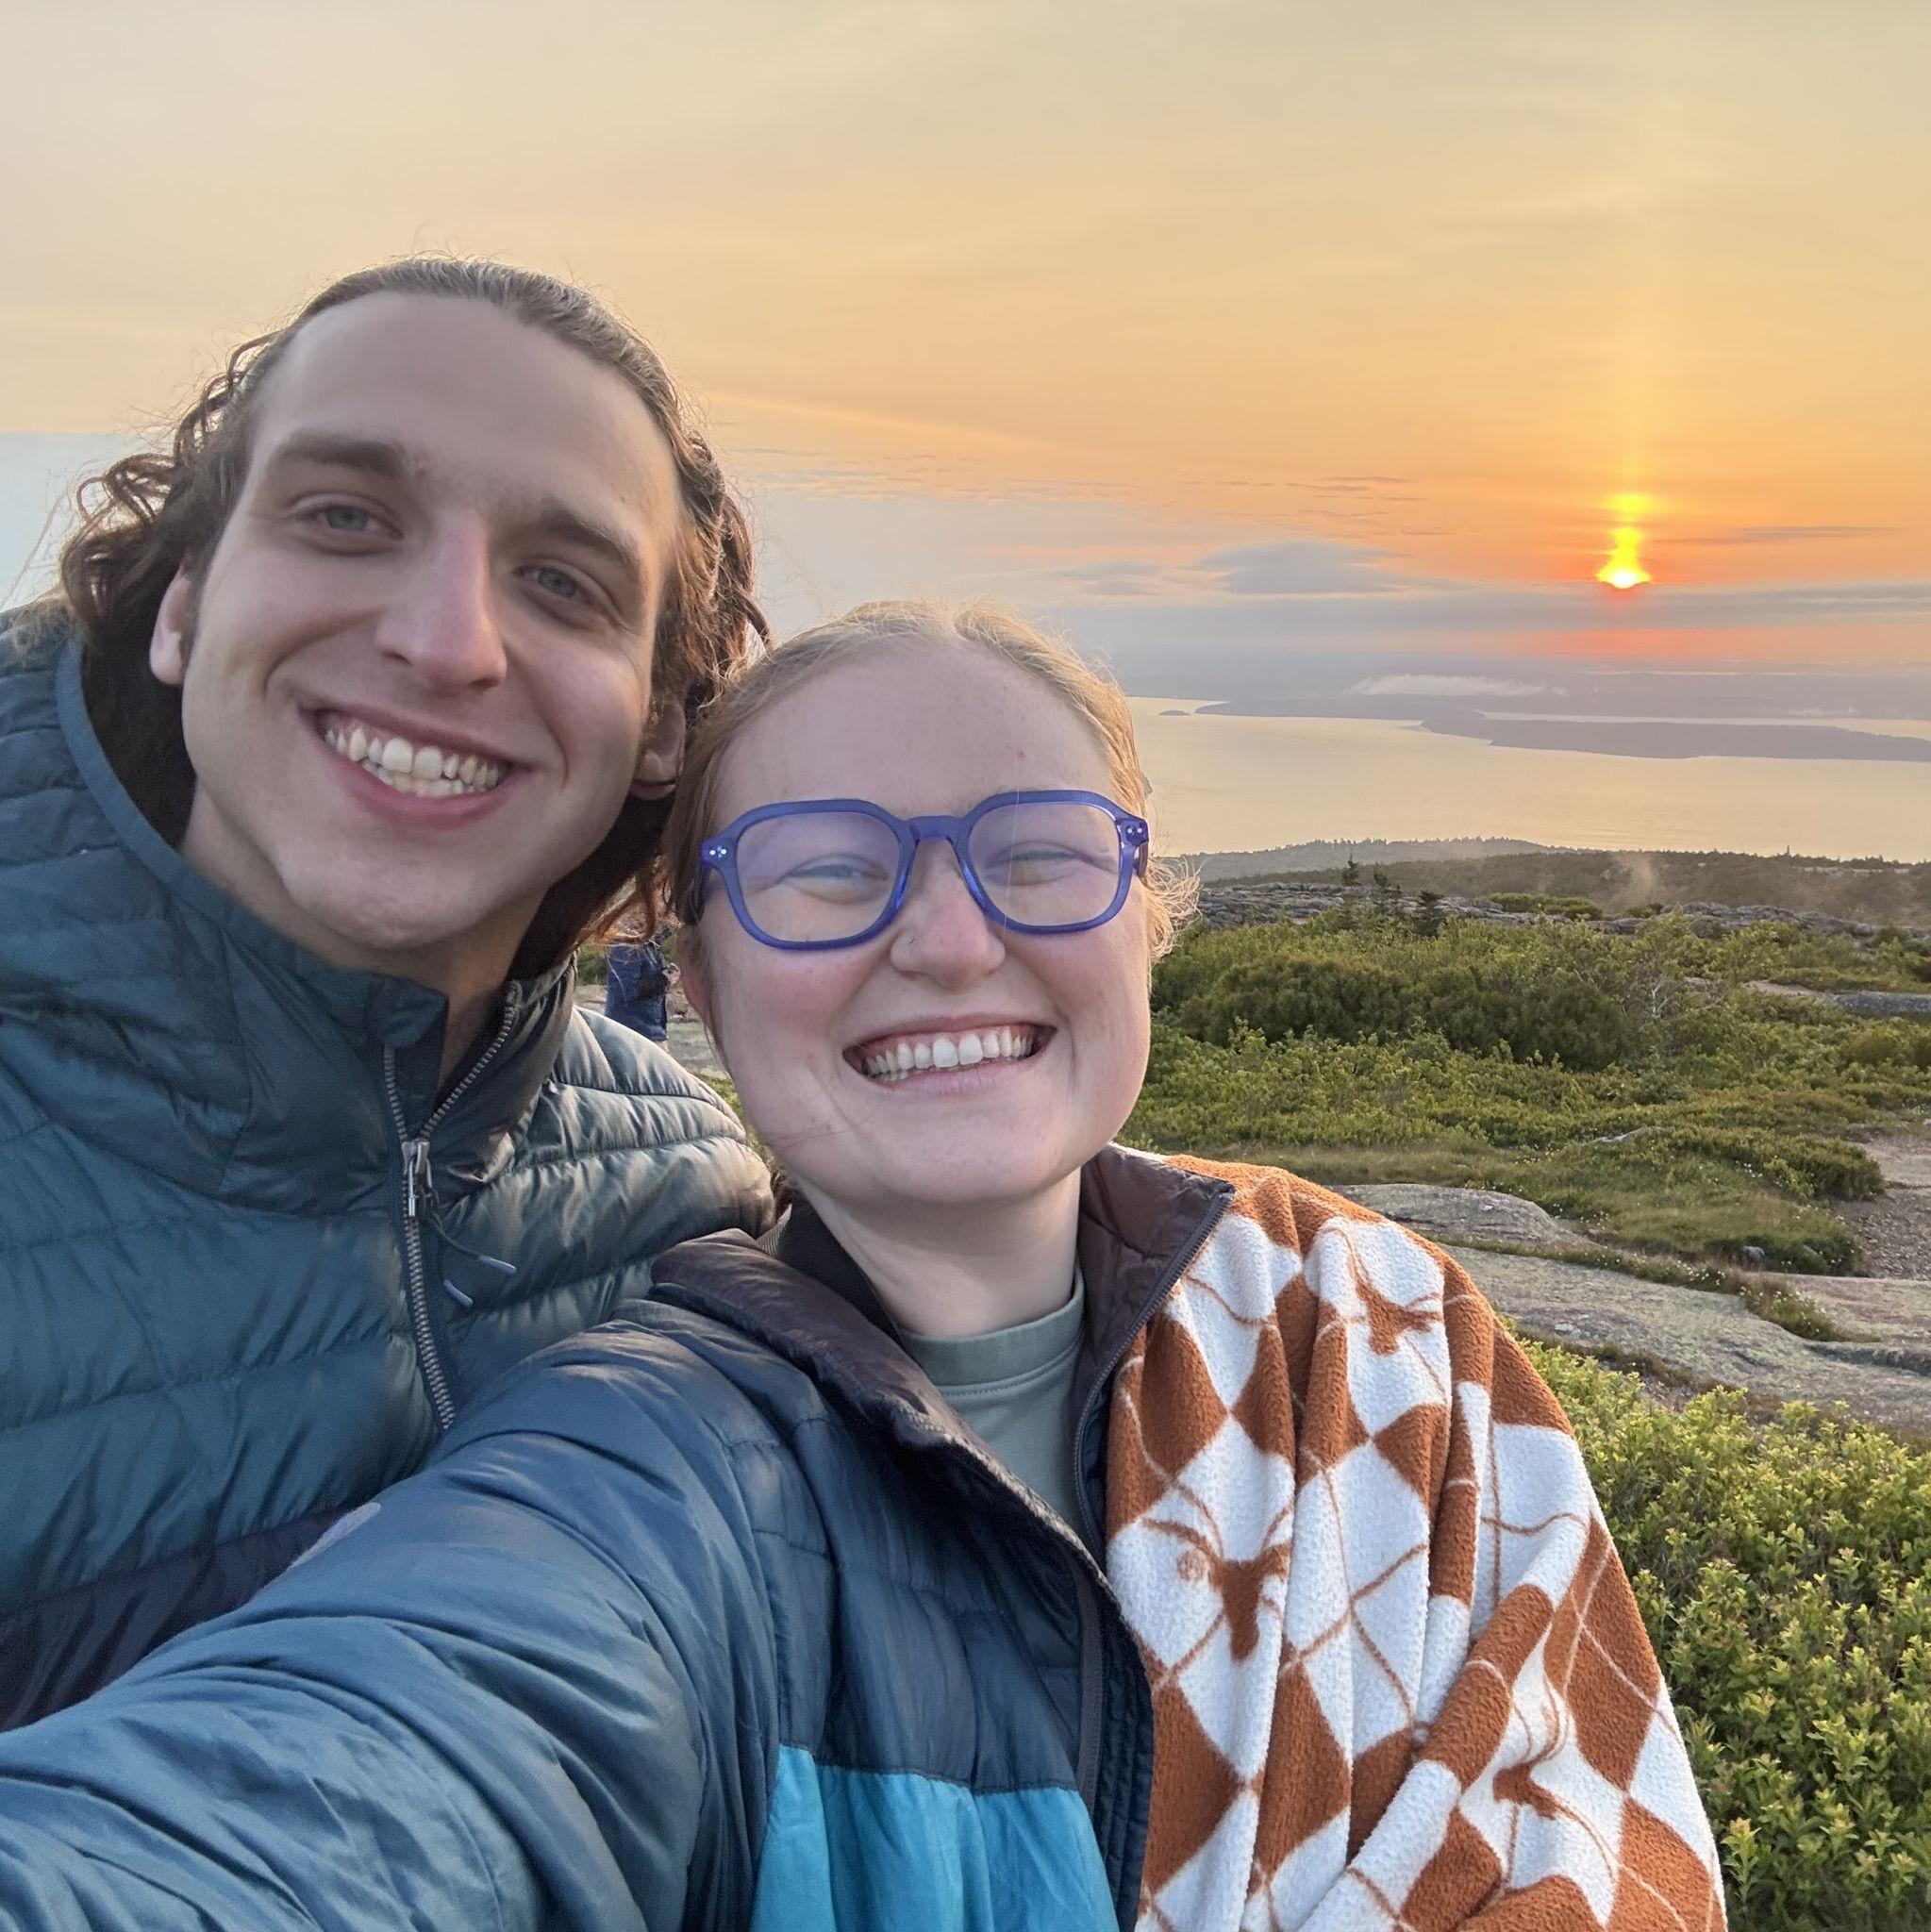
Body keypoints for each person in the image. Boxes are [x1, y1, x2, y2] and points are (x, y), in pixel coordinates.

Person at [0, 604, 1726, 1930]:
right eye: (827, 871)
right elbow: (376, 1765)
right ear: (693, 965)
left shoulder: (1376, 1319)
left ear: (1148, 913)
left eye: (1041, 853)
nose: (951, 936)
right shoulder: (663, 1452)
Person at [0, 258, 772, 1730]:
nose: (443, 639)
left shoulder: (692, 1204)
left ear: (660, 724)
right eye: (345, 518)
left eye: (562, 581)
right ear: (181, 605)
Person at [605, 930, 673, 1041]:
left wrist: (665, 977)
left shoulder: (650, 946)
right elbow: (625, 990)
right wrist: (662, 980)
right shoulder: (627, 947)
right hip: (631, 1033)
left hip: (647, 1031)